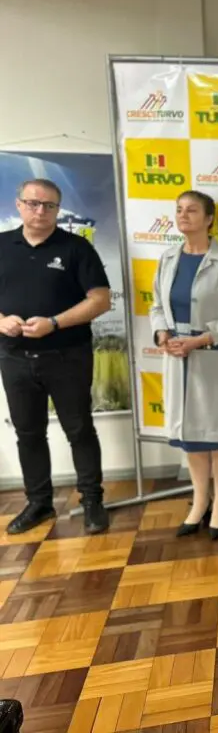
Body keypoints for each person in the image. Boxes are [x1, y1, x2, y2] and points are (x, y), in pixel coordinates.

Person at [0, 179, 111, 535]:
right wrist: (1, 321)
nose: (40, 211)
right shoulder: (2, 245)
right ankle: (39, 503)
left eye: (49, 205)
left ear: (58, 210)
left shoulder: (77, 248)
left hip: (67, 356)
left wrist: (55, 323)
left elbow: (100, 300)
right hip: (15, 358)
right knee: (28, 433)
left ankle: (92, 501)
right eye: (33, 203)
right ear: (19, 204)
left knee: (79, 430)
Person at [150, 190, 218, 540]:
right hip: (177, 358)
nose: (183, 215)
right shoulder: (168, 258)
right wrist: (162, 334)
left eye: (192, 210)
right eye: (179, 209)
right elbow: (157, 306)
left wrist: (201, 339)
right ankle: (199, 502)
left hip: (215, 357)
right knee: (191, 437)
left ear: (209, 219)